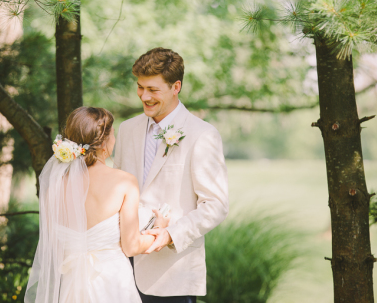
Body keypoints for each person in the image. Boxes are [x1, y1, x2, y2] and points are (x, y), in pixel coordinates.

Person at [113, 47, 229, 303]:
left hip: (172, 274)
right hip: (120, 270)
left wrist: (169, 235)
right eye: (140, 87)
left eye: (153, 90)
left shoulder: (203, 134)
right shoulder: (127, 129)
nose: (144, 96)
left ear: (176, 87)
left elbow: (216, 205)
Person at [25, 106, 169, 303]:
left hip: (71, 286)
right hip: (113, 285)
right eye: (113, 134)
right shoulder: (124, 182)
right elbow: (132, 246)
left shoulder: (54, 189)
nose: (115, 140)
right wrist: (159, 229)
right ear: (103, 143)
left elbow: (55, 250)